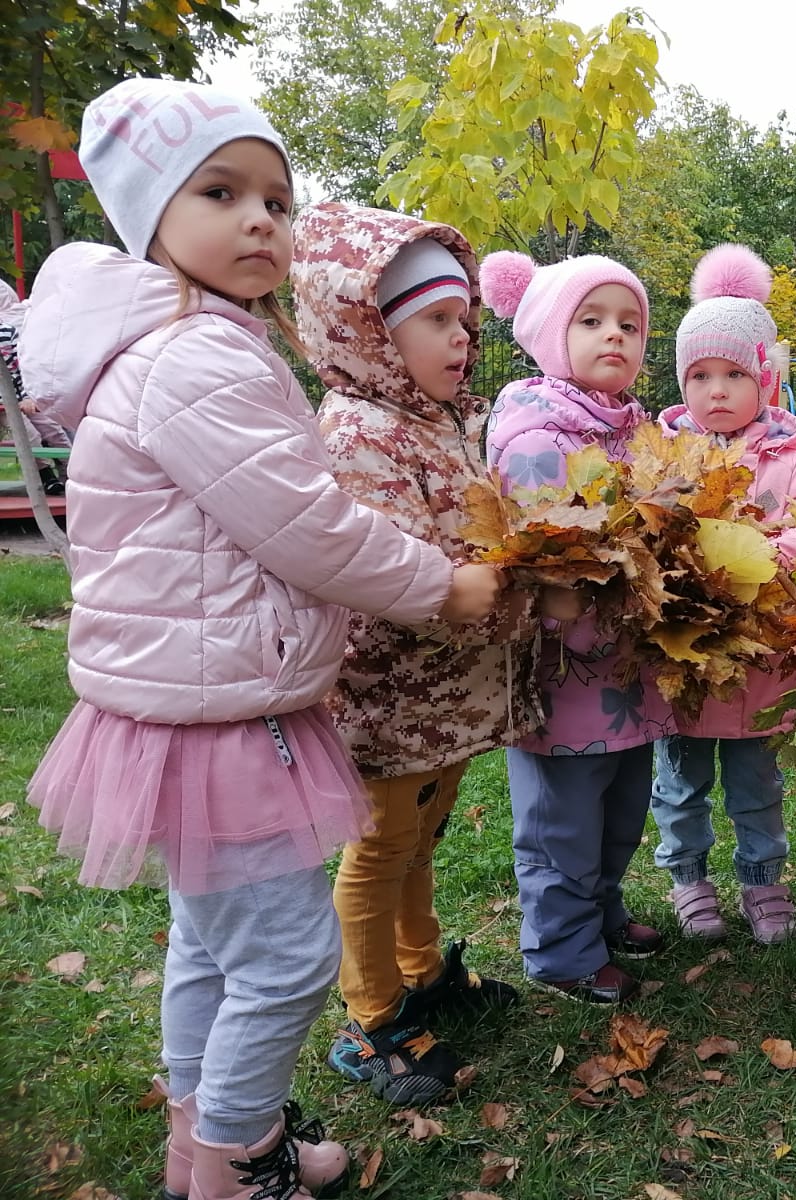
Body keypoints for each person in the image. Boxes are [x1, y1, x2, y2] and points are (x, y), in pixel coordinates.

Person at [18, 80, 501, 1200]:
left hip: (194, 703)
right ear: (149, 218)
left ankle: (207, 1148)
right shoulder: (192, 356)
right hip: (218, 716)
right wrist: (442, 588)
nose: (260, 222)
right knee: (283, 963)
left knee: (211, 949)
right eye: (221, 192)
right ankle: (241, 1160)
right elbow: (309, 529)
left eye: (277, 203)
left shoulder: (192, 341)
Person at [292, 202, 554, 1106]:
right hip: (388, 693)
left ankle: (419, 971)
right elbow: (397, 569)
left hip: (434, 704)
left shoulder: (433, 422)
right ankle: (371, 1019)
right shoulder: (360, 434)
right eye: (437, 323)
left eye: (466, 322)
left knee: (420, 837)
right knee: (380, 846)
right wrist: (496, 587)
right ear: (370, 333)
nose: (461, 341)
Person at [480, 247, 671, 1004]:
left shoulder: (632, 427)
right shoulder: (537, 433)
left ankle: (600, 913)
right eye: (590, 321)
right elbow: (540, 550)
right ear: (548, 334)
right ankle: (561, 951)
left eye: (629, 323)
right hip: (566, 668)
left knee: (621, 805)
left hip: (625, 665)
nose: (614, 336)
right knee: (562, 819)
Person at [649, 244, 796, 944]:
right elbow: (644, 534)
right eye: (700, 375)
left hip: (761, 660)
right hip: (685, 661)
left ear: (765, 380)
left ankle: (762, 880)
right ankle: (688, 877)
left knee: (757, 786)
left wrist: (758, 556)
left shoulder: (788, 459)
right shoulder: (661, 456)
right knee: (680, 785)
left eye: (733, 374)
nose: (716, 390)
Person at [0, 282, 69, 493]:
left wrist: (26, 396)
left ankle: (72, 474)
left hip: (22, 393)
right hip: (4, 402)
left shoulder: (8, 332)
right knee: (30, 435)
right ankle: (45, 476)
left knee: (54, 429)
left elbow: (21, 369)